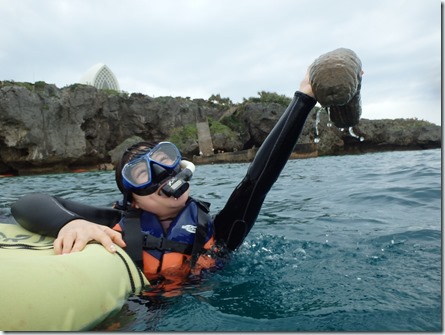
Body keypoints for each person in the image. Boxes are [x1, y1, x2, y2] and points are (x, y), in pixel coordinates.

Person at [11, 60, 361, 292]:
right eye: (141, 173)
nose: (162, 175)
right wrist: (69, 224)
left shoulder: (221, 232)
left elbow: (260, 177)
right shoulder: (114, 223)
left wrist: (304, 97)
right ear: (132, 197)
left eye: (164, 160)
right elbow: (27, 203)